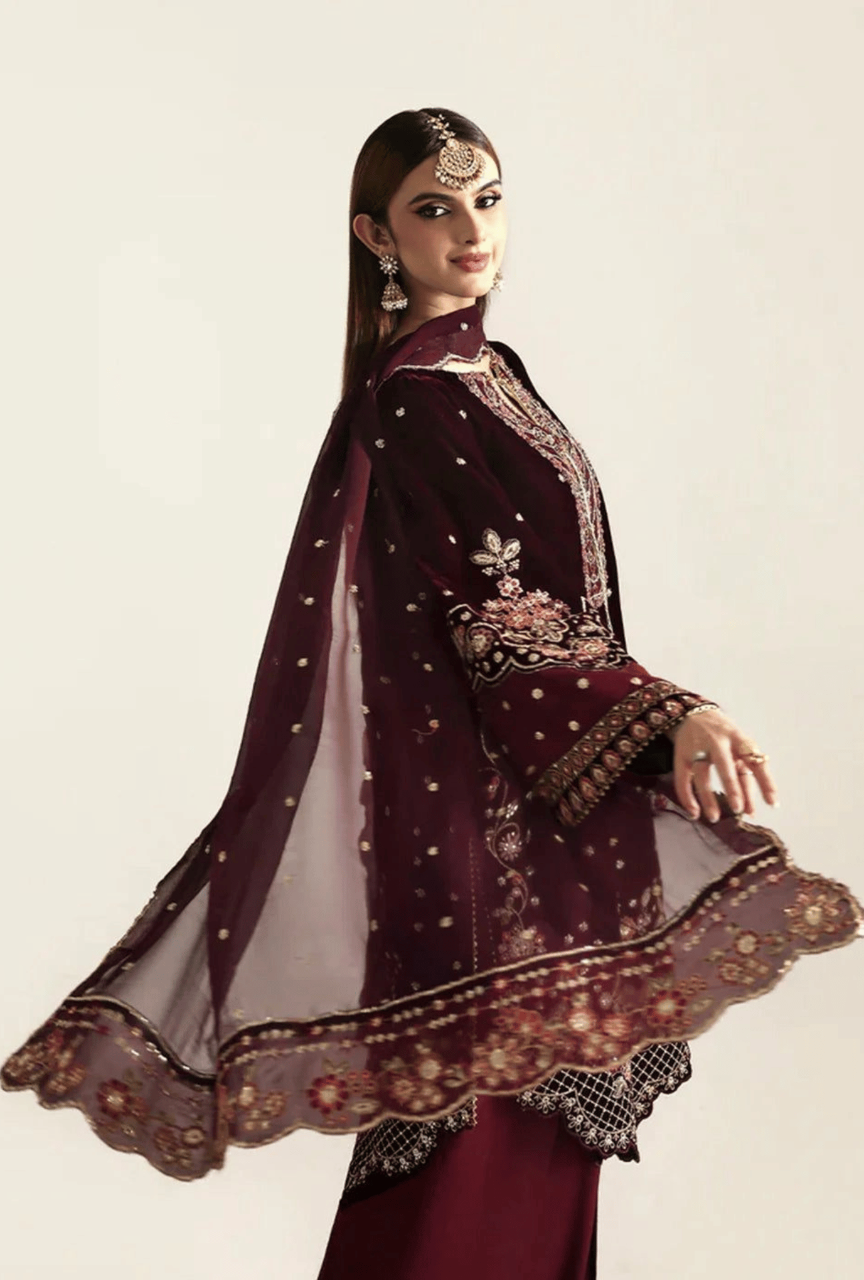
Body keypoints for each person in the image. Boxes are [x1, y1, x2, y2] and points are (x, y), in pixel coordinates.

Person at [2, 108, 861, 1280]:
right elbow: (499, 617)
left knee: (533, 1178)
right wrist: (673, 716)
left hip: (547, 823)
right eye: (434, 207)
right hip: (486, 853)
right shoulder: (417, 396)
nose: (471, 229)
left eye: (488, 200)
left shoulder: (485, 371)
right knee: (465, 1188)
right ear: (375, 235)